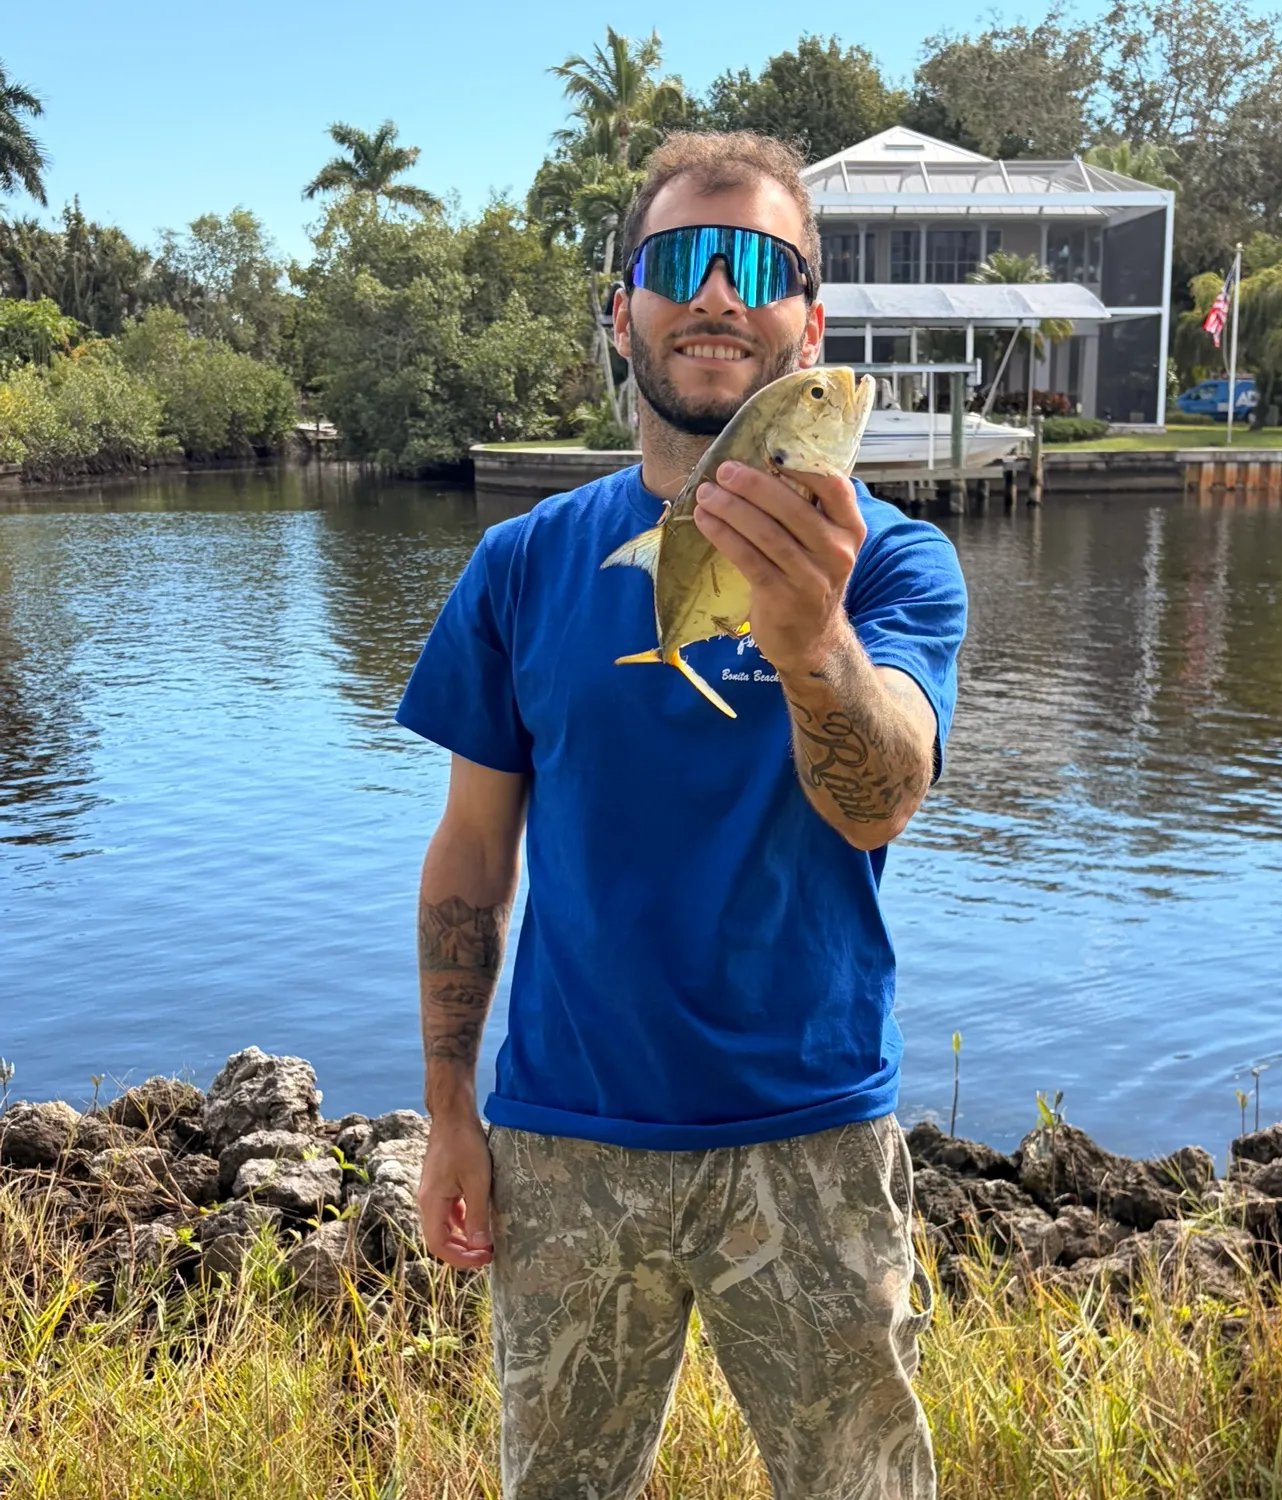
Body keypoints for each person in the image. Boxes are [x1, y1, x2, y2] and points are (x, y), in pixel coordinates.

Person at [396, 129, 968, 1500]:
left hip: (815, 1131)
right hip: (566, 1136)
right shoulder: (522, 564)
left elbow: (881, 801)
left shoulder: (893, 563)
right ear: (623, 313)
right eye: (680, 262)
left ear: (808, 323)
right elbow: (472, 858)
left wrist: (816, 639)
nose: (718, 294)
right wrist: (448, 1113)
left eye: (758, 264)